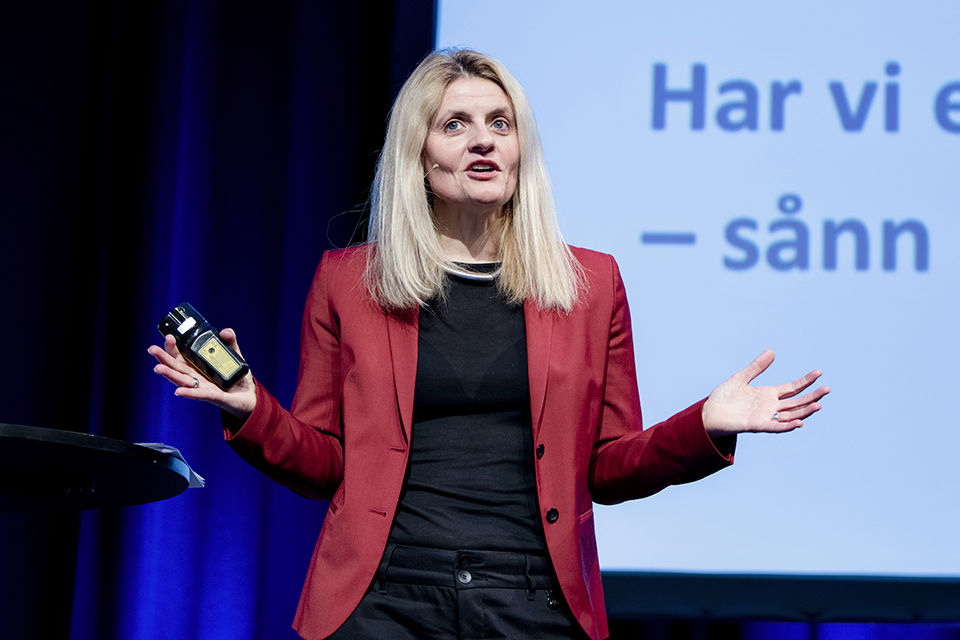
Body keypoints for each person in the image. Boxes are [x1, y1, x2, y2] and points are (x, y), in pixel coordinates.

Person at [149, 49, 829, 640]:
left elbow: (609, 467)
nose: (484, 142)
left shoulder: (590, 283)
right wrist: (249, 407)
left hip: (533, 602)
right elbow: (325, 465)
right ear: (419, 154)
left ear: (521, 149)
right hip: (385, 602)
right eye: (456, 125)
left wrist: (701, 426)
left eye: (500, 125)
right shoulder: (350, 282)